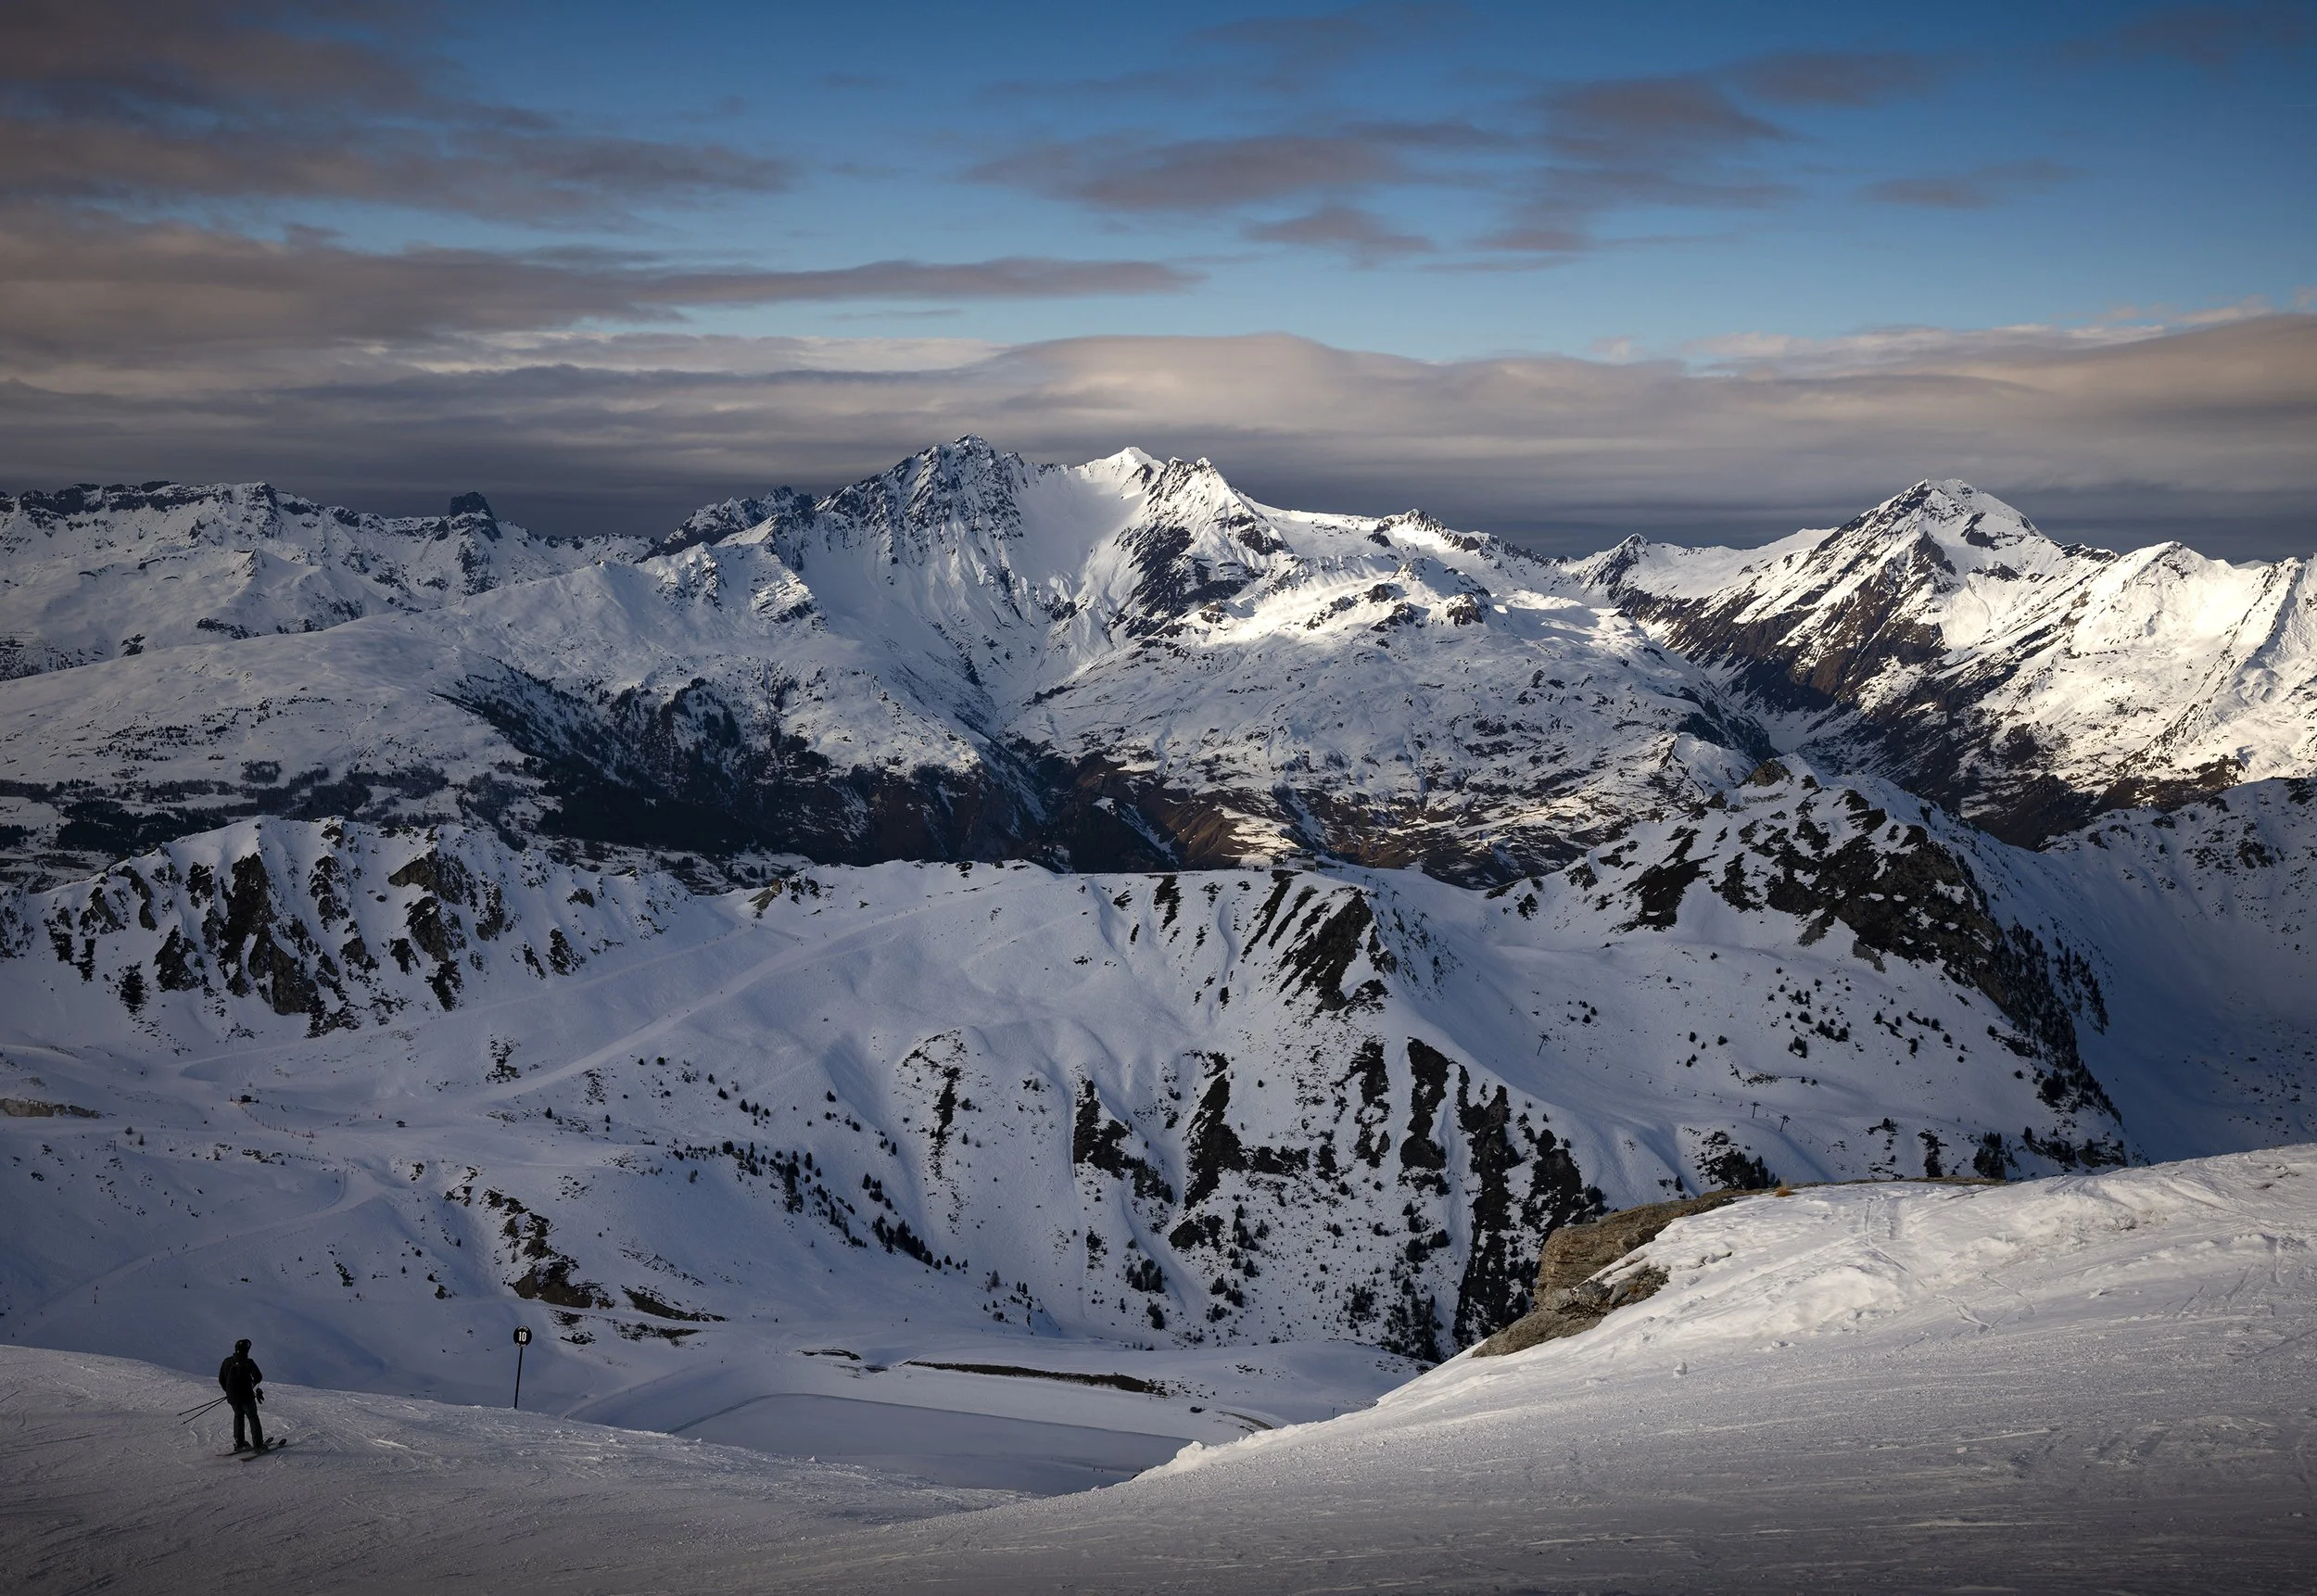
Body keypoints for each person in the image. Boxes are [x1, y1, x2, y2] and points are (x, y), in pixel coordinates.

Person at [218, 1338, 266, 1452]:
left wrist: (229, 1391)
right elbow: (258, 1377)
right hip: (246, 1397)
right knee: (253, 1417)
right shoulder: (249, 1362)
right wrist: (252, 1386)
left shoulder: (227, 1361)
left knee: (238, 1416)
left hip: (232, 1398)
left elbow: (221, 1379)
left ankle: (239, 1443)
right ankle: (258, 1445)